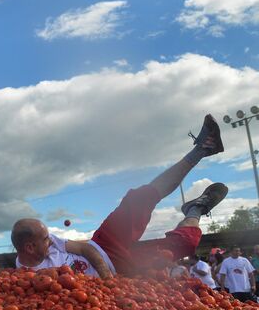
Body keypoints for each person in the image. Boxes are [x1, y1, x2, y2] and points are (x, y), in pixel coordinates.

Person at [12, 115, 227, 278]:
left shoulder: (48, 241)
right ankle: (196, 209)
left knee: (138, 199)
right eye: (45, 239)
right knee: (178, 248)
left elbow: (84, 248)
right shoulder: (27, 277)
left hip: (103, 243)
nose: (50, 241)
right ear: (30, 248)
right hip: (124, 268)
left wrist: (106, 279)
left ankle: (203, 148)